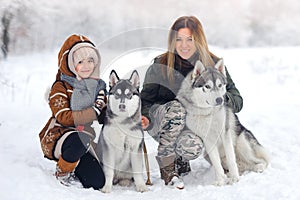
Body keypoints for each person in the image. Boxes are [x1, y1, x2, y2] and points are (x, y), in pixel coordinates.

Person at [140, 16, 243, 188]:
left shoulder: (213, 64)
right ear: (173, 41)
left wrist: (218, 97)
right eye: (178, 39)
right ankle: (168, 166)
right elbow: (145, 100)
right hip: (163, 121)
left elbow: (237, 100)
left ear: (199, 40)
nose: (184, 45)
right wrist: (145, 116)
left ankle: (181, 157)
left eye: (190, 39)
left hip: (192, 125)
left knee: (192, 147)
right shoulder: (160, 64)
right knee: (177, 108)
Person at [39, 34, 107, 189]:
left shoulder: (97, 87)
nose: (86, 66)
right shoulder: (60, 87)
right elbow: (63, 117)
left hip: (85, 139)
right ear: (69, 64)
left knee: (97, 182)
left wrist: (111, 107)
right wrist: (93, 110)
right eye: (80, 62)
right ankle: (63, 171)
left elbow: (104, 117)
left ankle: (75, 164)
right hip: (59, 135)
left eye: (90, 61)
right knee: (78, 139)